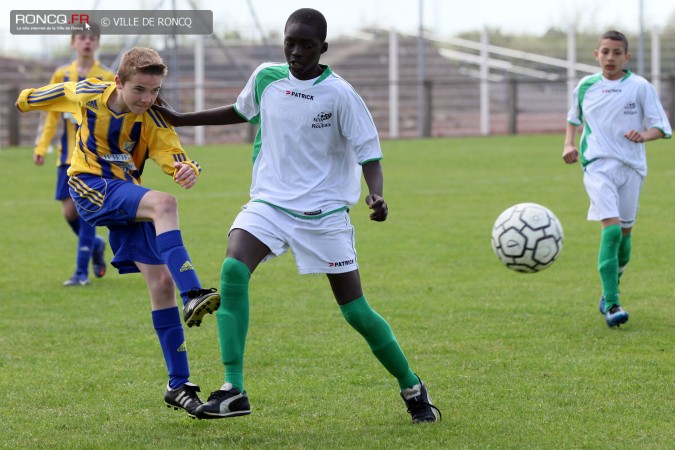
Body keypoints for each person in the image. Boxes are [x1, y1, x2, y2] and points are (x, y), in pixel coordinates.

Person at [153, 8, 441, 423]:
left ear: (323, 48)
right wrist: (181, 118)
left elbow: (369, 154)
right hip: (269, 204)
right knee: (233, 271)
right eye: (291, 43)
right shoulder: (267, 77)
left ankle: (413, 387)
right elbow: (239, 110)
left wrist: (376, 195)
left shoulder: (341, 94)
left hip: (324, 215)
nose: (296, 52)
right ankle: (233, 389)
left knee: (356, 312)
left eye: (307, 45)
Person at [16, 47, 221, 417]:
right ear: (119, 82)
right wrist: (25, 100)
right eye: (140, 90)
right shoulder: (89, 93)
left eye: (155, 90)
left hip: (126, 195)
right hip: (88, 184)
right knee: (165, 205)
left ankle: (179, 385)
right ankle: (194, 291)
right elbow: (50, 96)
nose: (148, 99)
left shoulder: (154, 118)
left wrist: (186, 168)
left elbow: (172, 156)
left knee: (161, 285)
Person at [562, 30, 672, 328]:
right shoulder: (586, 86)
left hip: (632, 168)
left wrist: (644, 135)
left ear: (627, 57)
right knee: (610, 232)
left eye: (616, 52)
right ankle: (612, 304)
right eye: (605, 52)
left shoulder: (640, 87)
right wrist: (569, 145)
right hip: (597, 166)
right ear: (597, 54)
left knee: (625, 240)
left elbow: (663, 128)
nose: (610, 57)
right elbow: (574, 119)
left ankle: (610, 287)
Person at [33, 24, 114, 287]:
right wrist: (41, 147)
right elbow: (52, 114)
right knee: (69, 212)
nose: (87, 42)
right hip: (66, 155)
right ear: (73, 42)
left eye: (92, 38)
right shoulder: (61, 74)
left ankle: (81, 273)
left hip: (93, 157)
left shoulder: (106, 76)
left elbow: (112, 117)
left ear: (98, 43)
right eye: (82, 38)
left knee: (86, 210)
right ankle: (96, 245)